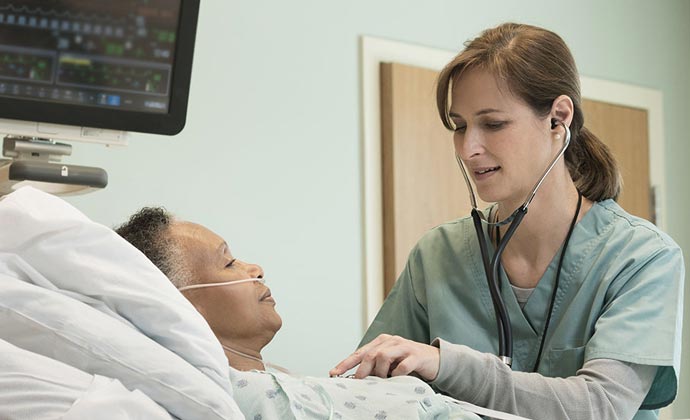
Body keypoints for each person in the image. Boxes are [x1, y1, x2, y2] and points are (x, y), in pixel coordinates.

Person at [329, 22, 684, 420]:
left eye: (492, 124)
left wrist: (446, 364)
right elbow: (371, 394)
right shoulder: (437, 256)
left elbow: (600, 406)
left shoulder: (641, 258)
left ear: (557, 119)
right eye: (459, 126)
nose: (468, 148)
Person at [116, 207, 488, 420]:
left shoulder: (283, 384)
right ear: (179, 305)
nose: (255, 269)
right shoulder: (234, 396)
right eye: (229, 263)